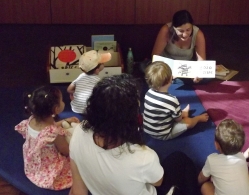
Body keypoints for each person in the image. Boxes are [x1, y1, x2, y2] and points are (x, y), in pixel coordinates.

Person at [69, 73, 200, 195]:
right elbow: (158, 182)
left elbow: (78, 189)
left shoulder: (79, 132)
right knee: (180, 160)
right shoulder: (143, 156)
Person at [15, 85, 80, 190]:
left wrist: (64, 121)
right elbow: (66, 151)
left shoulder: (32, 120)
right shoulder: (53, 133)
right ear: (56, 109)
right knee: (79, 166)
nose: (64, 102)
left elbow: (46, 129)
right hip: (49, 166)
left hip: (34, 162)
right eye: (62, 100)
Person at [143, 61, 209, 140]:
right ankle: (197, 118)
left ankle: (182, 113)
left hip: (147, 129)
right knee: (188, 122)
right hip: (164, 134)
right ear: (170, 79)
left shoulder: (148, 93)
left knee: (172, 112)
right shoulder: (171, 100)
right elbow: (178, 120)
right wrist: (182, 116)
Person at [198, 119, 249, 195]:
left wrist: (197, 183)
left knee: (205, 186)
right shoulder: (241, 157)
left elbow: (201, 178)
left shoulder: (212, 160)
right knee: (246, 171)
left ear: (216, 145)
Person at [152, 9, 206, 84]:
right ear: (173, 28)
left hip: (186, 69)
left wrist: (199, 74)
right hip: (166, 68)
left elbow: (202, 61)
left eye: (188, 30)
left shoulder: (198, 34)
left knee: (207, 77)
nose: (185, 35)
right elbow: (155, 56)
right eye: (181, 31)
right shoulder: (166, 30)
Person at [67, 50, 111, 114]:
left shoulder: (80, 77)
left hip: (76, 108)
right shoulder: (99, 81)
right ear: (97, 70)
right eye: (102, 63)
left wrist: (76, 92)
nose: (104, 63)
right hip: (91, 111)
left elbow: (69, 90)